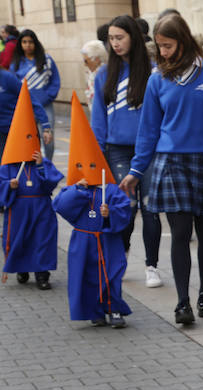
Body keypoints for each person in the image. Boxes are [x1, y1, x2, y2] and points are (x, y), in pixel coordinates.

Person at [118, 13, 203, 325]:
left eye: (167, 45)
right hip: (170, 162)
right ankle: (183, 301)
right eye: (159, 46)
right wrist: (136, 170)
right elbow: (148, 130)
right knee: (181, 233)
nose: (163, 52)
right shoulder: (157, 79)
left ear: (183, 41)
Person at [92, 15, 164, 289]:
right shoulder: (103, 74)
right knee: (126, 206)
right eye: (111, 38)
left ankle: (152, 265)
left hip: (151, 149)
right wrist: (97, 155)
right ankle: (121, 253)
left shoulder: (154, 73)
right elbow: (98, 120)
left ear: (133, 37)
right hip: (118, 150)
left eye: (120, 37)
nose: (115, 43)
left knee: (151, 208)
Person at [54, 94, 133, 328]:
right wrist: (77, 191)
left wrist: (110, 215)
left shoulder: (110, 188)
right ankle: (94, 311)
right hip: (83, 240)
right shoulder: (76, 189)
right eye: (81, 167)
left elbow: (124, 209)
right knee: (86, 277)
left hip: (107, 240)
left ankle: (114, 309)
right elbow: (60, 205)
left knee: (111, 275)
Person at [0, 119, 64, 290]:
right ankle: (21, 269)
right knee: (20, 239)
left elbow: (51, 183)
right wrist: (9, 185)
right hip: (19, 208)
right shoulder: (9, 166)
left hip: (42, 207)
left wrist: (40, 166)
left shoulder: (43, 163)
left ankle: (42, 274)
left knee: (42, 240)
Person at [0, 46, 52, 167]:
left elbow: (31, 99)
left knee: (26, 171)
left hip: (22, 130)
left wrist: (46, 127)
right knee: (2, 171)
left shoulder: (5, 77)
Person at [11, 30, 61, 160]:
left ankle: (48, 164)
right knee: (30, 138)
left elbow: (55, 81)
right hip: (26, 108)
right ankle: (35, 167)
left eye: (31, 42)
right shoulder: (16, 63)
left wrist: (47, 96)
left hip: (45, 105)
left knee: (48, 138)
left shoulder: (47, 60)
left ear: (36, 43)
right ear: (20, 44)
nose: (28, 45)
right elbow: (13, 86)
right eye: (24, 42)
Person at [80, 40, 107, 107]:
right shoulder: (91, 73)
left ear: (96, 59)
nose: (85, 64)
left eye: (86, 61)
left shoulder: (104, 75)